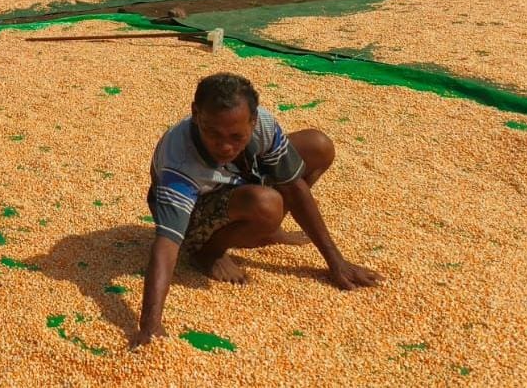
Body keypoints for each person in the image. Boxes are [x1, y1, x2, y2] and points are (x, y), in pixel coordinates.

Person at [131, 72, 381, 348]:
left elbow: (294, 187)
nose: (225, 146)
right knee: (266, 203)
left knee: (317, 146)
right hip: (194, 211)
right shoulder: (179, 161)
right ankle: (208, 252)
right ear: (196, 115)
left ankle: (263, 228)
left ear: (252, 121)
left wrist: (336, 262)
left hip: (235, 181)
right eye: (212, 133)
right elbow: (166, 245)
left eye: (236, 136)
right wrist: (150, 326)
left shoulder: (263, 124)